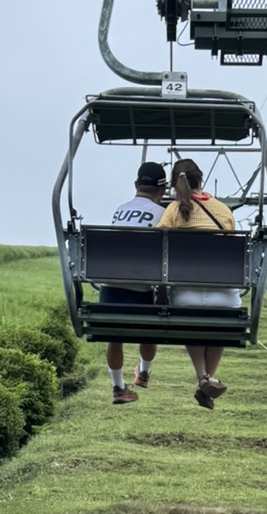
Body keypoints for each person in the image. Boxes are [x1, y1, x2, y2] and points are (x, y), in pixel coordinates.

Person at [157, 158, 238, 409]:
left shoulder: (173, 210)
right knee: (218, 325)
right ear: (201, 178)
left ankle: (203, 377)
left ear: (175, 183)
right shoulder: (223, 210)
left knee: (193, 320)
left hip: (185, 295)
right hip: (225, 296)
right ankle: (206, 379)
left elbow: (157, 245)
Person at [100, 160, 167, 403]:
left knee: (114, 337)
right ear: (162, 189)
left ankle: (118, 386)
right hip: (141, 290)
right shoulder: (162, 214)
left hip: (110, 289)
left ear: (136, 184)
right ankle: (144, 371)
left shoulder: (119, 211)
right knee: (148, 332)